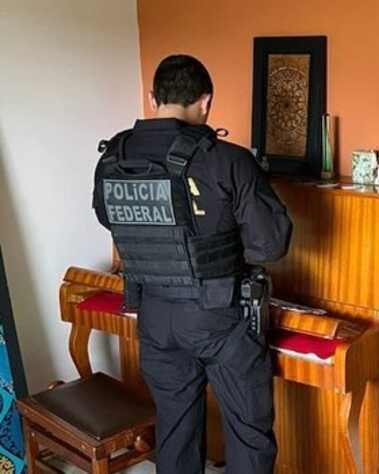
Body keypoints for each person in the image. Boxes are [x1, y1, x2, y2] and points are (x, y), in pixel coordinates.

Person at [92, 54, 292, 474]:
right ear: (205, 102)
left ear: (153, 99)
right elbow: (270, 245)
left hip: (153, 316)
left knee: (176, 431)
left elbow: (109, 219)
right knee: (248, 435)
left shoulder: (113, 157)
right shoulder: (229, 160)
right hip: (220, 317)